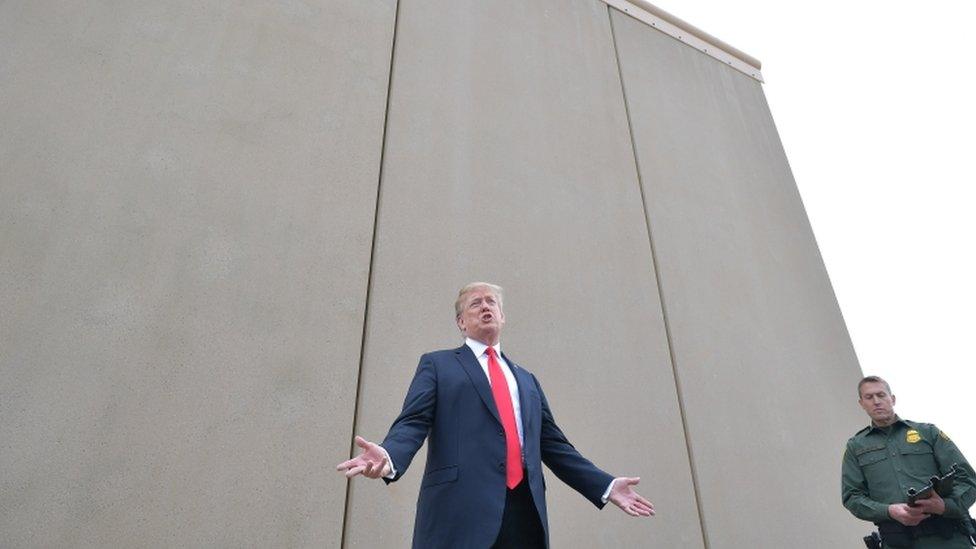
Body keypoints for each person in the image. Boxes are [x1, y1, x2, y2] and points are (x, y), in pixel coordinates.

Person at [337, 282, 654, 548]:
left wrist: (606, 486)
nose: (485, 307)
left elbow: (556, 447)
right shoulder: (438, 365)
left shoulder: (527, 380)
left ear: (502, 317)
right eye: (475, 303)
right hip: (459, 513)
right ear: (462, 322)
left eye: (492, 302)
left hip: (524, 517)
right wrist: (389, 456)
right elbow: (414, 421)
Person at [842, 375, 976, 548]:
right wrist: (889, 511)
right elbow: (852, 497)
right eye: (869, 397)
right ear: (861, 404)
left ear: (893, 399)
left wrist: (944, 505)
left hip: (949, 539)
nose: (876, 401)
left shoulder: (928, 432)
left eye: (881, 395)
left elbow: (967, 480)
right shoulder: (856, 446)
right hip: (898, 541)